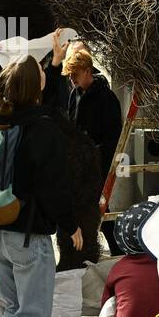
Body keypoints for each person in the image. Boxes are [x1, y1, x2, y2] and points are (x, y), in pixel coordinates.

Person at [0, 55, 81, 317]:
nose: (46, 72)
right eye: (42, 71)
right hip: (29, 236)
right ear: (34, 85)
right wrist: (71, 225)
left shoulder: (2, 123)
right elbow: (54, 187)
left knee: (9, 311)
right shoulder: (43, 130)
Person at [45, 30, 122, 252]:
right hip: (80, 160)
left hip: (97, 161)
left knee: (97, 204)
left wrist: (97, 158)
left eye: (75, 75)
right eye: (69, 76)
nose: (72, 79)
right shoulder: (75, 93)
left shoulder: (106, 97)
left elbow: (112, 134)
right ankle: (99, 247)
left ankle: (109, 247)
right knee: (93, 205)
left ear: (88, 71)